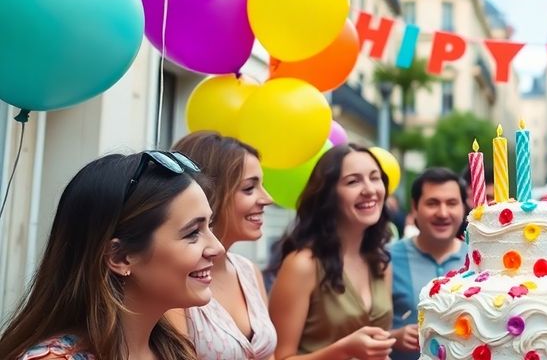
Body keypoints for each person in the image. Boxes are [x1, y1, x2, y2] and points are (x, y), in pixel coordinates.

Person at [0, 151, 224, 359]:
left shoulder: (175, 350)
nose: (217, 248)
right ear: (119, 257)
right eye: (193, 233)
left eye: (209, 227)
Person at [268, 144, 396, 360]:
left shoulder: (381, 262)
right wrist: (343, 350)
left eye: (375, 178)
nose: (370, 190)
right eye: (353, 181)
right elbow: (278, 357)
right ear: (329, 195)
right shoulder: (303, 264)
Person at [167, 132, 277, 359]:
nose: (267, 198)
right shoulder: (173, 281)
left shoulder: (249, 271)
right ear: (208, 193)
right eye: (249, 188)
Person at [388, 168, 469, 360]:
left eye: (452, 203)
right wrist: (394, 338)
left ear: (464, 208)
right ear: (415, 207)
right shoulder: (386, 259)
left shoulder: (478, 259)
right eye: (432, 203)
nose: (443, 213)